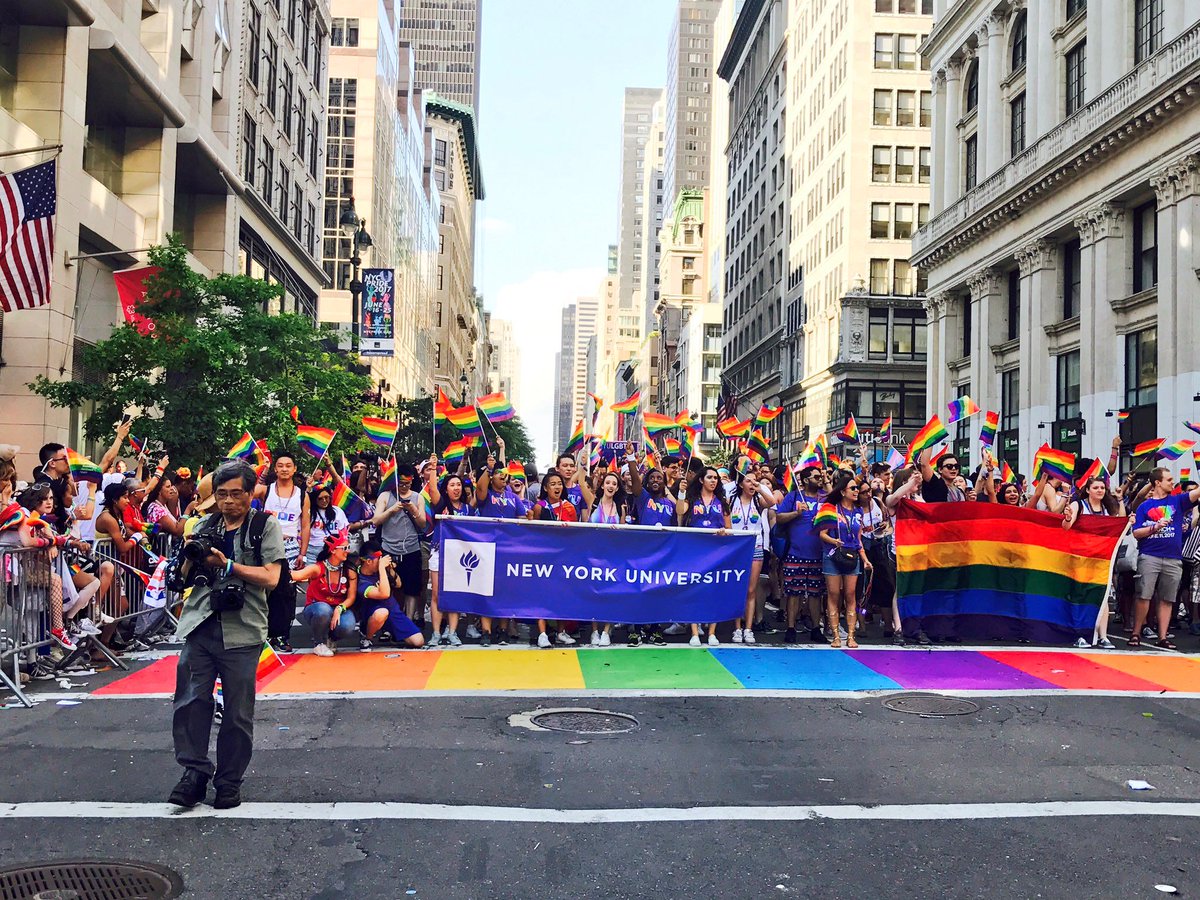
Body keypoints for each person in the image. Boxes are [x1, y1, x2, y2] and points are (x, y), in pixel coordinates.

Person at [170, 460, 285, 809]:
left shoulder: (264, 526)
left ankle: (229, 781)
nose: (229, 502)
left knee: (237, 712)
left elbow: (271, 577)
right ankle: (193, 773)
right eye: (222, 495)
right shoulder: (205, 524)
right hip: (201, 623)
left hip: (243, 628)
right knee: (190, 702)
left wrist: (229, 565)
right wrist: (190, 553)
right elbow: (185, 578)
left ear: (250, 494)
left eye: (236, 494)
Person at [1129, 467, 1200, 650]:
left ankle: (1162, 637)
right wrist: (1155, 527)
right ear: (1157, 482)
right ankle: (1136, 633)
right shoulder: (1145, 506)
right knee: (1144, 596)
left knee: (1167, 599)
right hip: (1149, 556)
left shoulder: (1178, 501)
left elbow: (1197, 493)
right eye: (1168, 479)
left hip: (1173, 558)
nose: (1172, 482)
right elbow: (1136, 533)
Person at [1063, 475, 1126, 649]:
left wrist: (1120, 500)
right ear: (1088, 490)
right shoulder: (1078, 505)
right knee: (1081, 596)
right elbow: (1065, 527)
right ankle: (1080, 634)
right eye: (1096, 488)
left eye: (1102, 488)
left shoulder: (1108, 508)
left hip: (1101, 559)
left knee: (1102, 595)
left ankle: (1103, 636)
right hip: (1080, 558)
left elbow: (1120, 522)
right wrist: (1068, 518)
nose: (1100, 490)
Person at [256, 452, 310, 653]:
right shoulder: (266, 490)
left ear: (294, 469)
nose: (284, 469)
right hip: (267, 545)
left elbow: (305, 525)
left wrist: (302, 554)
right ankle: (264, 634)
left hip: (290, 547)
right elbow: (245, 494)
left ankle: (282, 635)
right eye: (280, 466)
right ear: (275, 469)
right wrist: (263, 470)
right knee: (265, 591)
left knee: (286, 593)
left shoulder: (302, 495)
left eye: (289, 465)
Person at [675, 466, 731, 646]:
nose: (713, 481)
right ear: (701, 480)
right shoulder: (692, 499)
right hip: (694, 550)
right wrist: (681, 492)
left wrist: (724, 533)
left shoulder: (722, 501)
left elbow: (729, 528)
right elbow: (680, 511)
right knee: (695, 590)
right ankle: (694, 633)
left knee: (713, 590)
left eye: (716, 478)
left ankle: (712, 633)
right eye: (709, 477)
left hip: (715, 552)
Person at [773, 466, 828, 644]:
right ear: (805, 480)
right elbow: (779, 518)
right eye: (817, 477)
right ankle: (791, 628)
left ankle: (815, 628)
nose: (820, 479)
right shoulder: (794, 496)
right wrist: (797, 513)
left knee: (815, 593)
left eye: (821, 477)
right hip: (795, 552)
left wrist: (827, 482)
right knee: (793, 593)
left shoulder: (824, 498)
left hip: (818, 553)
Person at [371, 461, 427, 633]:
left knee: (411, 588)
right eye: (401, 483)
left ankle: (408, 622)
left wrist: (413, 510)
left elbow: (423, 523)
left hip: (411, 548)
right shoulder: (386, 496)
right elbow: (375, 520)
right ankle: (389, 624)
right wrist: (391, 511)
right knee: (390, 588)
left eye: (407, 484)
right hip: (389, 549)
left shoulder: (418, 497)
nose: (404, 487)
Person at [816, 478, 872, 648]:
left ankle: (850, 636)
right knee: (833, 594)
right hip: (832, 555)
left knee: (850, 594)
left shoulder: (858, 511)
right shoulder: (830, 509)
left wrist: (865, 559)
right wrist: (834, 541)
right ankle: (835, 636)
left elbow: (859, 538)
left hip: (852, 556)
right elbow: (822, 534)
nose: (856, 491)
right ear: (842, 491)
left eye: (857, 488)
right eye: (853, 488)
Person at [425, 463, 475, 647]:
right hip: (439, 552)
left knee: (454, 593)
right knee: (437, 594)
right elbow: (431, 488)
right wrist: (432, 468)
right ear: (446, 488)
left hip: (459, 556)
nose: (456, 488)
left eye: (459, 485)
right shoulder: (441, 505)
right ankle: (436, 633)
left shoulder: (468, 509)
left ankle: (453, 633)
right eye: (452, 485)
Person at [529, 470, 579, 647]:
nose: (557, 487)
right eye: (553, 484)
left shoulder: (569, 507)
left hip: (563, 557)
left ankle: (560, 632)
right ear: (545, 487)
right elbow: (533, 532)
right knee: (542, 594)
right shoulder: (539, 507)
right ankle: (542, 634)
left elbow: (574, 533)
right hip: (543, 557)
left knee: (561, 594)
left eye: (559, 484)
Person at [291, 531, 358, 656]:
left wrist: (340, 608)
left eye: (348, 548)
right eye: (344, 548)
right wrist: (279, 568)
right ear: (333, 550)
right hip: (316, 608)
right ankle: (318, 643)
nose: (347, 551)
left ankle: (330, 639)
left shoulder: (349, 570)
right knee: (323, 610)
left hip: (339, 607)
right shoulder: (318, 568)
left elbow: (351, 597)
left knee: (348, 625)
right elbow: (297, 575)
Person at [729, 470, 776, 644]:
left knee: (751, 590)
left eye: (754, 481)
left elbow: (772, 502)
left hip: (755, 547)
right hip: (736, 549)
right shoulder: (732, 501)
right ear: (740, 484)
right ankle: (737, 628)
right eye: (748, 481)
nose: (752, 484)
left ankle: (748, 628)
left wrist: (760, 487)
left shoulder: (758, 501)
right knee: (737, 589)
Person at [352, 541, 424, 650]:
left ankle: (394, 634)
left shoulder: (381, 570)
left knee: (418, 641)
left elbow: (399, 584)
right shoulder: (360, 580)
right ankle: (367, 638)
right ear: (368, 561)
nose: (381, 561)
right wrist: (381, 568)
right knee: (381, 613)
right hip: (374, 613)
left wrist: (389, 570)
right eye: (378, 559)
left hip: (392, 611)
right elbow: (384, 594)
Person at [587, 469, 628, 646]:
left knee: (610, 593)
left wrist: (618, 531)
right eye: (608, 482)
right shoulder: (593, 502)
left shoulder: (620, 507)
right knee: (594, 594)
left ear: (617, 488)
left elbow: (624, 530)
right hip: (593, 555)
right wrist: (582, 461)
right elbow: (582, 482)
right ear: (602, 485)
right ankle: (594, 631)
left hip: (612, 556)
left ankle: (606, 631)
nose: (610, 486)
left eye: (614, 483)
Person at [304, 485, 349, 565]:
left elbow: (344, 531)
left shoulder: (338, 511)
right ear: (314, 499)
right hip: (312, 551)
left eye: (327, 497)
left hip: (332, 552)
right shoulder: (309, 513)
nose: (324, 500)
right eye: (320, 498)